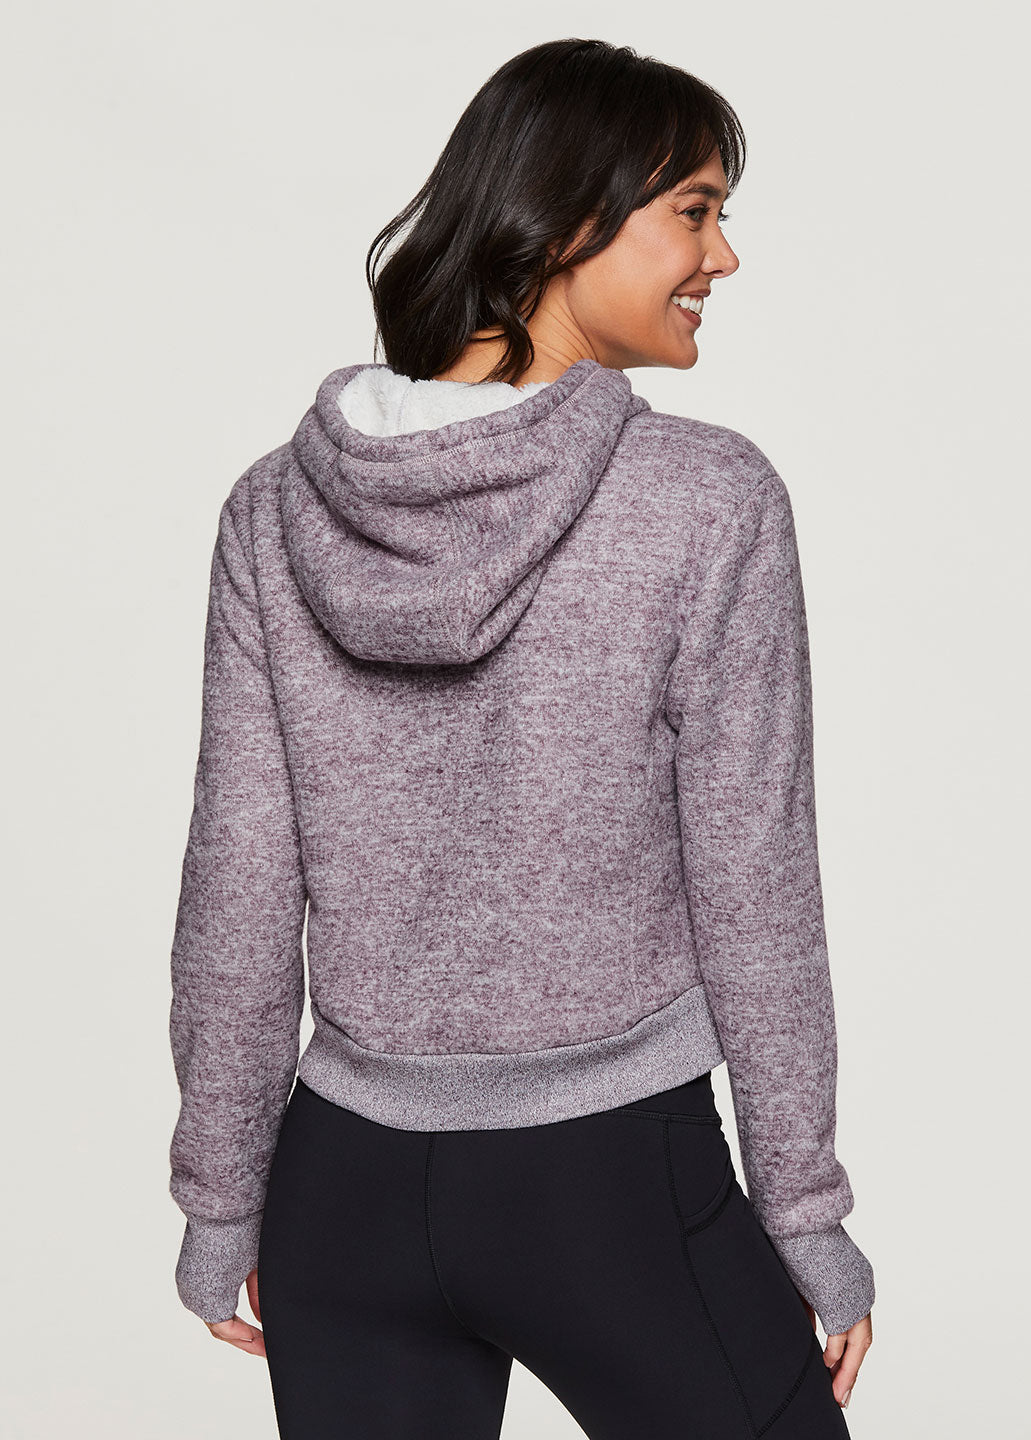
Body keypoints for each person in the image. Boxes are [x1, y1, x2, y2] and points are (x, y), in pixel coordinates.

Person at [167, 36, 876, 1439]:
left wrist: (223, 1197)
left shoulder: (276, 508)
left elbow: (237, 883)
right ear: (565, 223)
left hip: (342, 1193)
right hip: (615, 1183)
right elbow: (754, 880)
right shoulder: (707, 498)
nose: (723, 256)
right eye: (695, 210)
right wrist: (804, 1208)